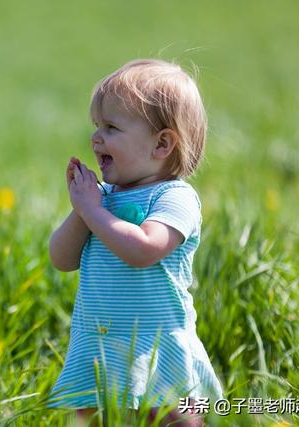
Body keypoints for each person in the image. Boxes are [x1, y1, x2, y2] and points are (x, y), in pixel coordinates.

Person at [46, 59, 224, 426]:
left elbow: (144, 249)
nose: (96, 138)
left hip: (158, 347)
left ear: (162, 144)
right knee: (91, 417)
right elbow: (62, 259)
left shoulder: (175, 198)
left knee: (174, 417)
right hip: (98, 347)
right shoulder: (102, 200)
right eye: (97, 126)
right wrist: (83, 210)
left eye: (111, 127)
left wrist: (94, 213)